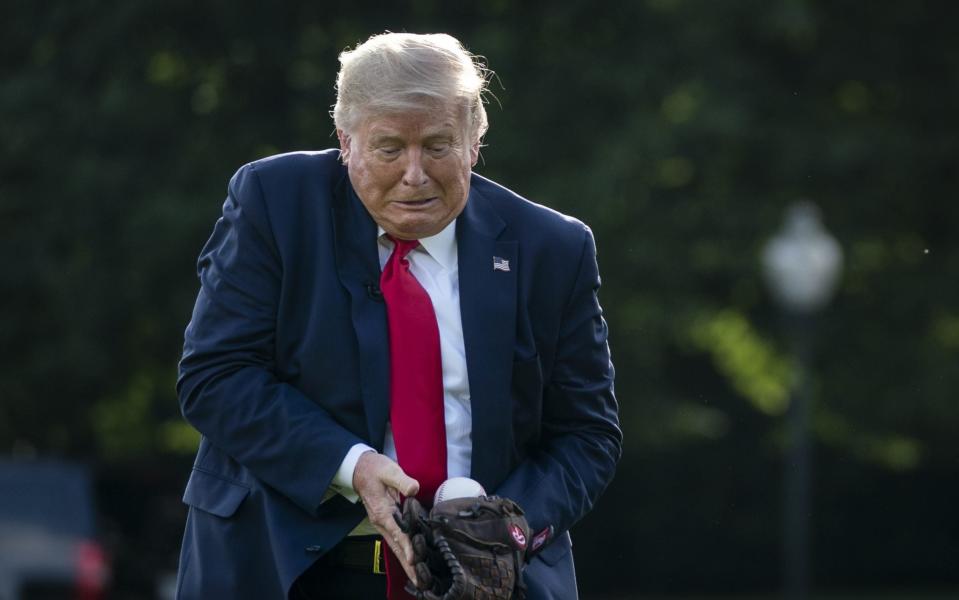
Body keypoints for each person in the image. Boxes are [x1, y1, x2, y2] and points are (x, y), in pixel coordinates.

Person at [174, 32, 621, 600]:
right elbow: (216, 377)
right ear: (345, 141)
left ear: (474, 142)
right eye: (389, 149)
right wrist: (352, 465)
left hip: (486, 582)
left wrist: (507, 523)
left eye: (438, 146)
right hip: (284, 569)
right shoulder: (274, 202)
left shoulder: (552, 248)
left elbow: (587, 434)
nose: (415, 174)